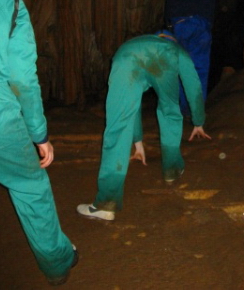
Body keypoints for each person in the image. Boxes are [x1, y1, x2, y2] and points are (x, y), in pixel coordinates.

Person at [0, 0, 78, 286]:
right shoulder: (9, 5)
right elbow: (20, 78)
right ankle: (58, 264)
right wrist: (39, 135)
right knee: (30, 185)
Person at [77, 30, 210, 222]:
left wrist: (138, 142)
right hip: (164, 57)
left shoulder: (137, 42)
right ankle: (172, 170)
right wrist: (199, 121)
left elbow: (133, 104)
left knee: (118, 125)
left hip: (125, 56)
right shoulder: (175, 48)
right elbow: (193, 84)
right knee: (170, 111)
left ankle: (106, 204)